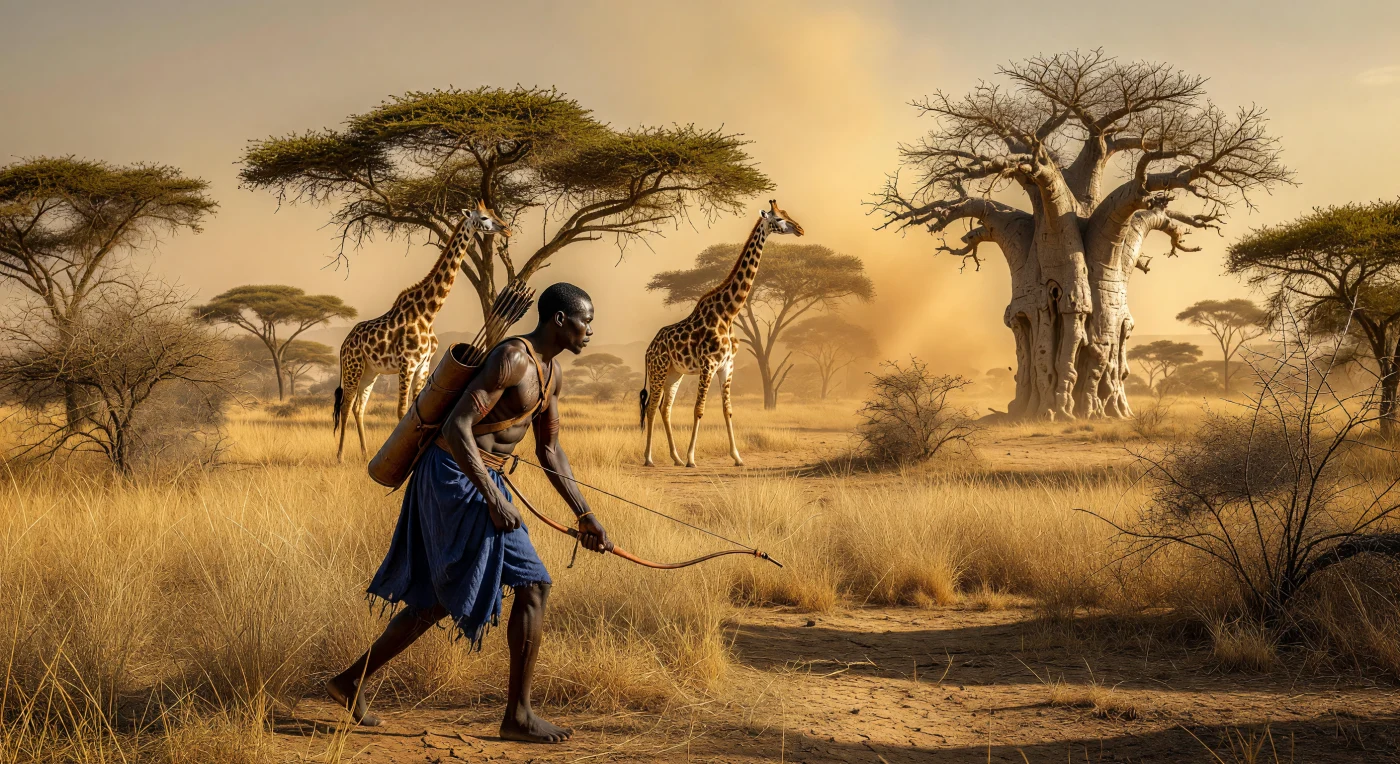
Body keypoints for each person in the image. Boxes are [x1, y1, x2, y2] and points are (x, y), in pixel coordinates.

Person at [327, 282, 608, 743]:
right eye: (586, 321)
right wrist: (496, 501)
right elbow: (458, 428)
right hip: (452, 475)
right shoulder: (512, 358)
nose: (590, 331)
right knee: (534, 583)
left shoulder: (552, 373)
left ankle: (349, 681)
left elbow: (550, 450)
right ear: (560, 320)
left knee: (439, 598)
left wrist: (585, 513)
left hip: (481, 477)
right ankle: (517, 717)